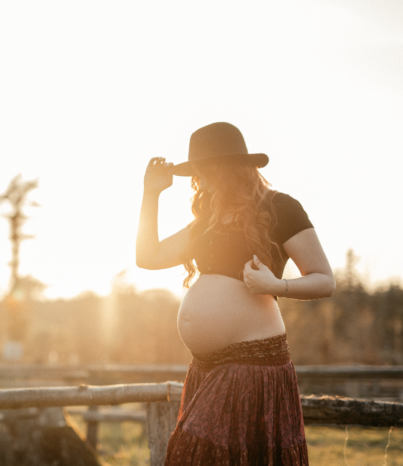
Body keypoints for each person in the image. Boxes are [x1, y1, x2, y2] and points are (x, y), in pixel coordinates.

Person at [136, 122, 335, 465]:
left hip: (252, 362)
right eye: (196, 170)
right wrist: (151, 194)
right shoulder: (207, 220)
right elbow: (148, 257)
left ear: (233, 166)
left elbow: (324, 280)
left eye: (207, 167)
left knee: (194, 454)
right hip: (206, 366)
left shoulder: (280, 208)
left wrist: (277, 286)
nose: (201, 177)